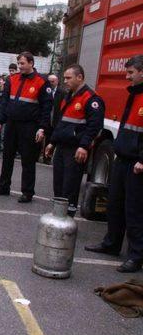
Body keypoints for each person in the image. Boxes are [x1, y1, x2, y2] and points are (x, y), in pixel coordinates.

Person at [85, 55, 143, 273]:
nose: (127, 77)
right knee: (115, 204)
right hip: (123, 158)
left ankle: (136, 256)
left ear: (142, 72)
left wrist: (141, 159)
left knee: (134, 209)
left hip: (137, 164)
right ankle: (111, 244)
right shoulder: (134, 94)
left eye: (130, 73)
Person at [0, 52, 53, 203]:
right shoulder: (12, 79)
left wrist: (42, 128)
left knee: (28, 159)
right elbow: (5, 103)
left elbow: (47, 107)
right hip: (12, 123)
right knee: (7, 156)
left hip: (30, 126)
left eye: (23, 63)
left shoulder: (41, 82)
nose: (20, 66)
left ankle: (27, 192)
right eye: (19, 63)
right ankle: (3, 186)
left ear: (31, 63)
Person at [44, 64, 104, 217]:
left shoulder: (91, 99)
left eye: (68, 78)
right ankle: (58, 215)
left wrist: (84, 146)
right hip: (62, 147)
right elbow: (61, 123)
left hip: (75, 149)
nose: (65, 81)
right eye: (64, 78)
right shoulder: (69, 96)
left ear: (80, 77)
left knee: (70, 186)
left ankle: (67, 218)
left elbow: (94, 126)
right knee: (59, 183)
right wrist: (52, 142)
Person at [42, 73, 66, 164]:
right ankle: (45, 157)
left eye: (53, 81)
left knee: (54, 139)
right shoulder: (45, 91)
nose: (51, 83)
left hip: (56, 120)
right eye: (49, 81)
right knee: (46, 139)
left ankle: (52, 157)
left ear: (57, 82)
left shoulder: (62, 93)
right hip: (47, 120)